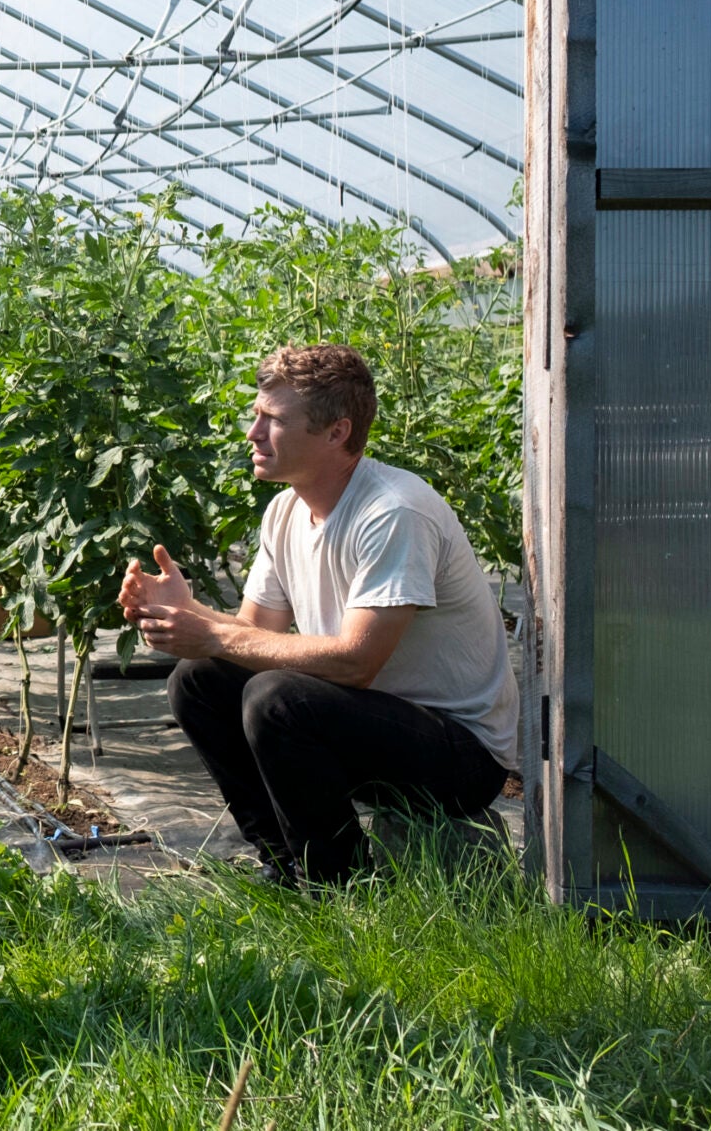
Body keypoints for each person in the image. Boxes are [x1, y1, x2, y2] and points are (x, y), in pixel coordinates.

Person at [121, 343, 516, 884]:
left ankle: (337, 885)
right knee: (200, 681)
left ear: (336, 433)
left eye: (274, 420)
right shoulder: (285, 512)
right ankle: (286, 867)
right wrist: (186, 614)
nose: (252, 433)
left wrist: (211, 634)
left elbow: (357, 663)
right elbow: (257, 635)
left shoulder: (393, 510)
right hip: (369, 727)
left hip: (459, 756)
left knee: (277, 699)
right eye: (256, 415)